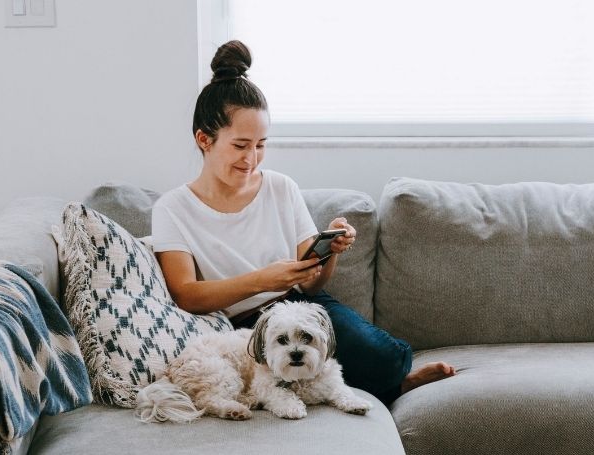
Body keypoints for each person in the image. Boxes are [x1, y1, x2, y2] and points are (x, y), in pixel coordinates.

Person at [152, 40, 455, 405]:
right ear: (204, 139)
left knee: (389, 358)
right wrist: (263, 280)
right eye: (240, 145)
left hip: (298, 307)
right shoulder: (173, 207)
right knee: (287, 363)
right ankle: (378, 385)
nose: (252, 158)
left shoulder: (281, 187)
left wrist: (331, 253)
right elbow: (186, 294)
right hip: (238, 326)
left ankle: (395, 380)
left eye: (261, 144)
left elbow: (312, 286)